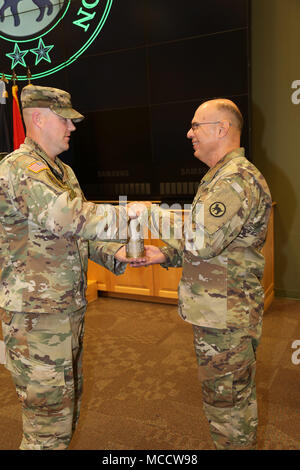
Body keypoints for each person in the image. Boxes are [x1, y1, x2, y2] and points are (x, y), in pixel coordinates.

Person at [131, 99, 272, 450]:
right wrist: (165, 253)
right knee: (221, 401)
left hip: (227, 315)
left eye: (196, 126)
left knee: (230, 409)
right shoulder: (221, 177)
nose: (189, 133)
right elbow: (210, 238)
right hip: (218, 311)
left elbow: (204, 238)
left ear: (222, 129)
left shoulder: (235, 180)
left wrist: (148, 213)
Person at [0, 84, 135, 450]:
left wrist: (113, 253)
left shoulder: (62, 172)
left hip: (64, 311)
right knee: (46, 429)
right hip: (36, 318)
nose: (72, 127)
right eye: (65, 120)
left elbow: (79, 234)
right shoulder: (20, 169)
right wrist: (131, 214)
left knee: (65, 413)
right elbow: (68, 216)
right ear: (39, 119)